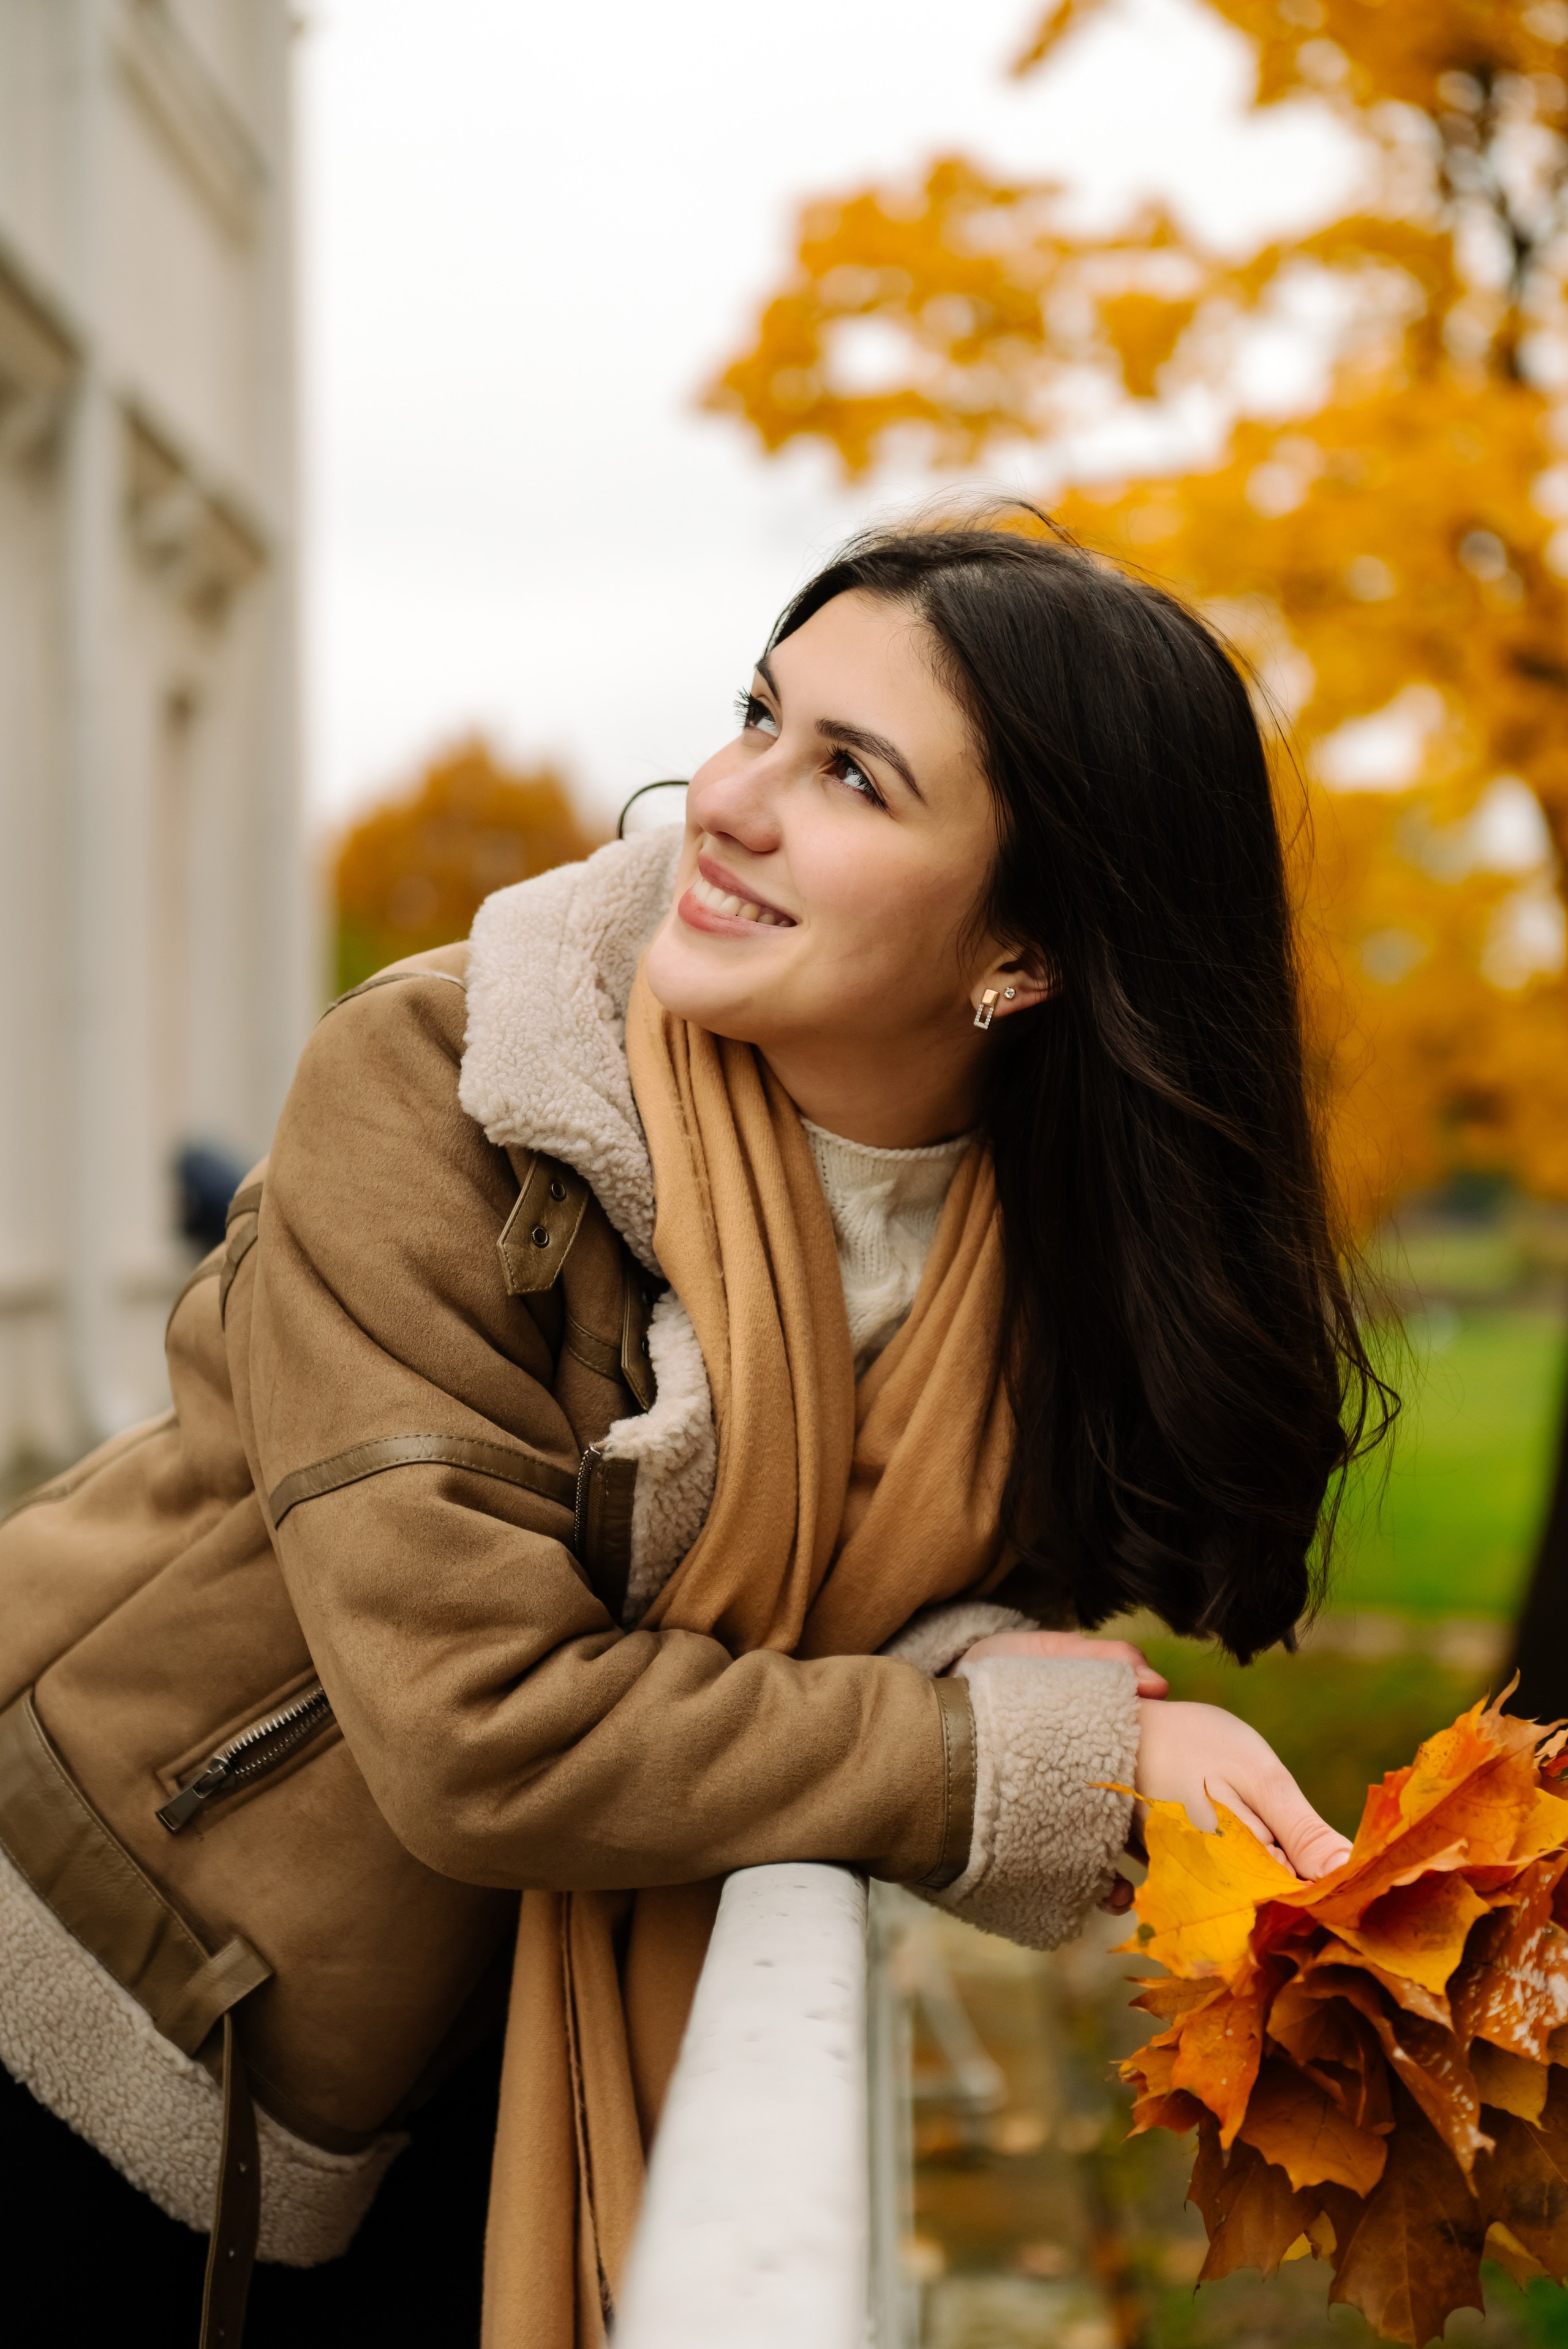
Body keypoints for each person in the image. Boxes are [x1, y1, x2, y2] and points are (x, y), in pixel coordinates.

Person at [0, 512, 1384, 2347]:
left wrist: (999, 1671)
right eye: (759, 715)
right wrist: (1020, 1760)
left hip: (470, 2054)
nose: (726, 802)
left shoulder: (1045, 1254)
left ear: (1026, 951)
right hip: (109, 1984)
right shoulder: (449, 1089)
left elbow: (849, 1584)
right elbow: (479, 1726)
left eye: (850, 774)